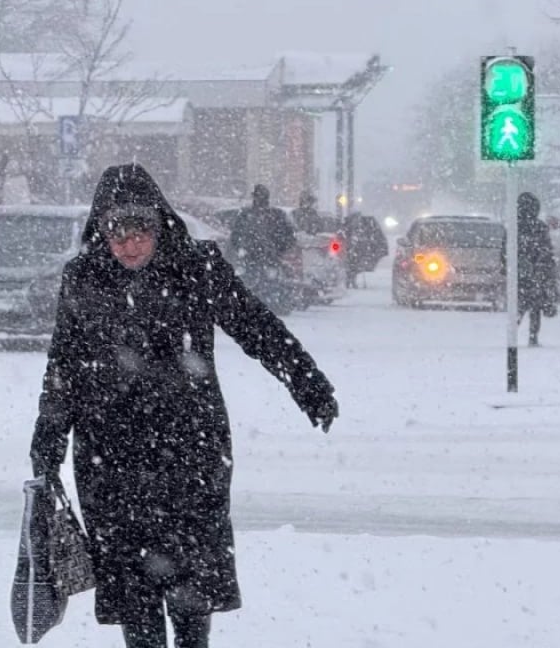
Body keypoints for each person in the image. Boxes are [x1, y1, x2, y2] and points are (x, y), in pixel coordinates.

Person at [30, 164, 340, 648]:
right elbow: (64, 364)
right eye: (117, 233)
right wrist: (47, 439)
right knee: (135, 594)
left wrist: (305, 381)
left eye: (141, 232)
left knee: (192, 587)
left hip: (190, 453)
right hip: (109, 459)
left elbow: (256, 325)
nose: (130, 245)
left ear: (160, 225)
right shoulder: (83, 278)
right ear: (101, 230)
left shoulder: (198, 268)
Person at [513, 192, 559, 347]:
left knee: (519, 307)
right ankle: (533, 336)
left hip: (519, 274)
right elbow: (546, 251)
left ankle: (513, 333)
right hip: (536, 273)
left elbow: (506, 250)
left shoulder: (514, 226)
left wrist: (508, 268)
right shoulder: (540, 227)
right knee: (535, 308)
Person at [228, 184, 297, 273]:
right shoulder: (246, 214)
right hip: (253, 259)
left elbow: (289, 236)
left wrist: (278, 250)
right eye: (258, 196)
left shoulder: (276, 215)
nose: (259, 200)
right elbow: (235, 235)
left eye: (261, 197)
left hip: (265, 259)